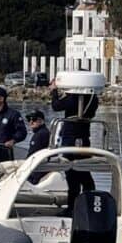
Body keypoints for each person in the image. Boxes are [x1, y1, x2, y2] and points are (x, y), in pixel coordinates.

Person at [50, 79, 100, 213]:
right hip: (84, 139)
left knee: (72, 174)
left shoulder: (74, 99)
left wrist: (54, 91)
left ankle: (72, 208)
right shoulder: (93, 99)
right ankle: (90, 204)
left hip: (71, 139)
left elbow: (56, 106)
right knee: (84, 172)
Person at [25, 109, 50, 185]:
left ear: (41, 121)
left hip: (37, 169)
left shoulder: (40, 135)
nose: (31, 122)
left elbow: (32, 154)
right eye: (29, 119)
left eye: (34, 119)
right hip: (41, 167)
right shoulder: (45, 132)